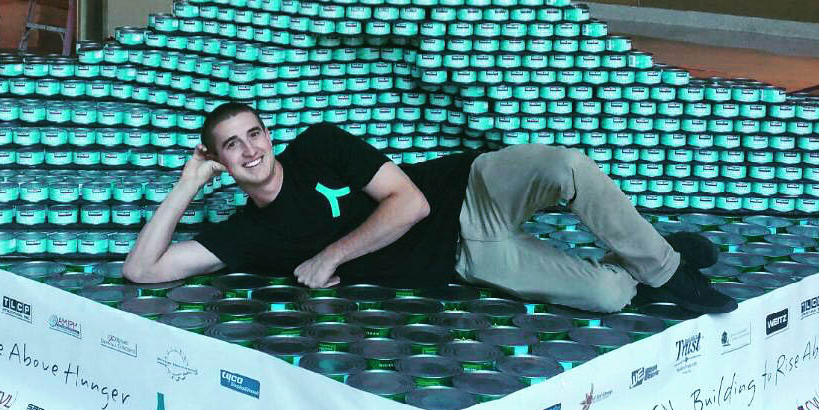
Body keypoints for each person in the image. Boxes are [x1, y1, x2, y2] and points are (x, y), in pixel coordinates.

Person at [123, 102, 737, 315]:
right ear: (221, 163)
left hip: (468, 189)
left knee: (566, 167)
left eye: (255, 133)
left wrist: (330, 255)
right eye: (232, 145)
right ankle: (660, 253)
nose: (250, 149)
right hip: (465, 258)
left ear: (270, 134)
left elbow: (411, 203)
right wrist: (185, 183)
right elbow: (142, 271)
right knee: (608, 297)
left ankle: (667, 269)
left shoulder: (319, 146)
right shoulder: (247, 233)